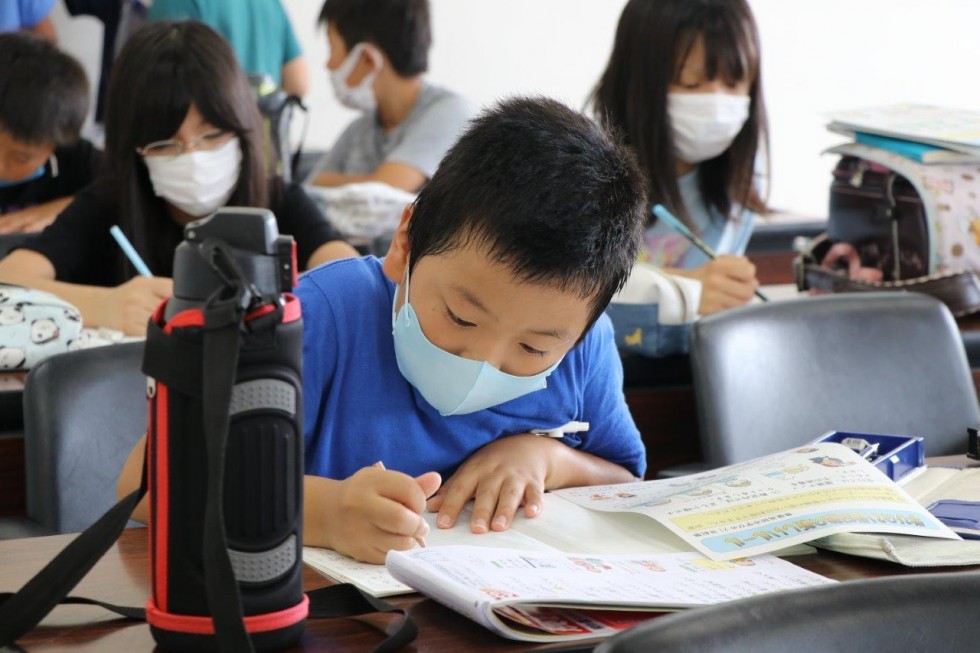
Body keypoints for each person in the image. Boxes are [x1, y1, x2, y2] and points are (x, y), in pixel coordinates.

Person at [119, 96, 649, 564]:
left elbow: (625, 480)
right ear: (406, 241)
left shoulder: (583, 347)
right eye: (461, 317)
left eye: (533, 348)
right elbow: (148, 481)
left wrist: (546, 457)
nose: (481, 360)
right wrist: (321, 514)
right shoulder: (318, 318)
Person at [0, 21, 356, 336]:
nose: (193, 156)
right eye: (165, 144)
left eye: (214, 135)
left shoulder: (278, 201)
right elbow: (10, 279)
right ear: (134, 148)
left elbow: (353, 279)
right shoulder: (107, 207)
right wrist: (103, 304)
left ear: (244, 128)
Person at [591, 0, 769, 356]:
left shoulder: (741, 188)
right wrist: (687, 291)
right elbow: (559, 306)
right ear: (637, 83)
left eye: (734, 83)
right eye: (690, 84)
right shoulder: (584, 178)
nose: (716, 105)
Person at [311, 0, 474, 193]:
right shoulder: (358, 130)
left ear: (367, 59)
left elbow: (385, 190)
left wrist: (333, 183)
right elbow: (308, 191)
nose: (328, 64)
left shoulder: (452, 113)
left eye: (332, 48)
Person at [0, 32, 99, 235]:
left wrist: (63, 209)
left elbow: (123, 188)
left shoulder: (73, 158)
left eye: (21, 158)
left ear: (54, 146)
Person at [147, 0, 309, 98]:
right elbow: (299, 83)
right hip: (266, 144)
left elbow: (162, 89)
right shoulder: (270, 3)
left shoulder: (174, 3)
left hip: (209, 144)